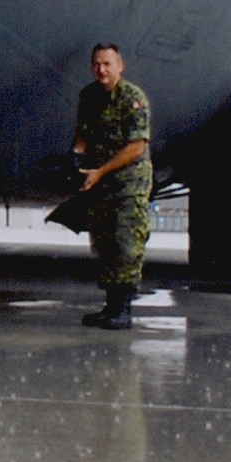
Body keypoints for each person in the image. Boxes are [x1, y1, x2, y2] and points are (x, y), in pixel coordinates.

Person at [72, 43, 153, 331]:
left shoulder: (132, 98)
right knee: (104, 241)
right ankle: (111, 307)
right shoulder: (89, 96)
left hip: (129, 181)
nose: (101, 70)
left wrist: (102, 171)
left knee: (126, 242)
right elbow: (82, 131)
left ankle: (124, 309)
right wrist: (76, 157)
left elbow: (137, 146)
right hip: (100, 179)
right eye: (96, 64)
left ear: (120, 66)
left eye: (107, 64)